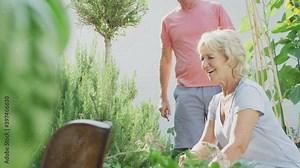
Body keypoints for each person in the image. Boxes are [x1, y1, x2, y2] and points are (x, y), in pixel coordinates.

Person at [179, 29, 300, 167]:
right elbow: (206, 144)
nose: (204, 65)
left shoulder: (248, 93)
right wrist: (191, 157)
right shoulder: (216, 101)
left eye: (210, 57)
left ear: (230, 59)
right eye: (202, 58)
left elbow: (238, 146)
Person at [159, 0, 234, 151]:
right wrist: (163, 97)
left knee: (226, 146)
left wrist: (233, 85)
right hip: (187, 92)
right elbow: (166, 60)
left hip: (220, 88)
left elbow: (232, 45)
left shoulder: (215, 9)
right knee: (190, 150)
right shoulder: (168, 21)